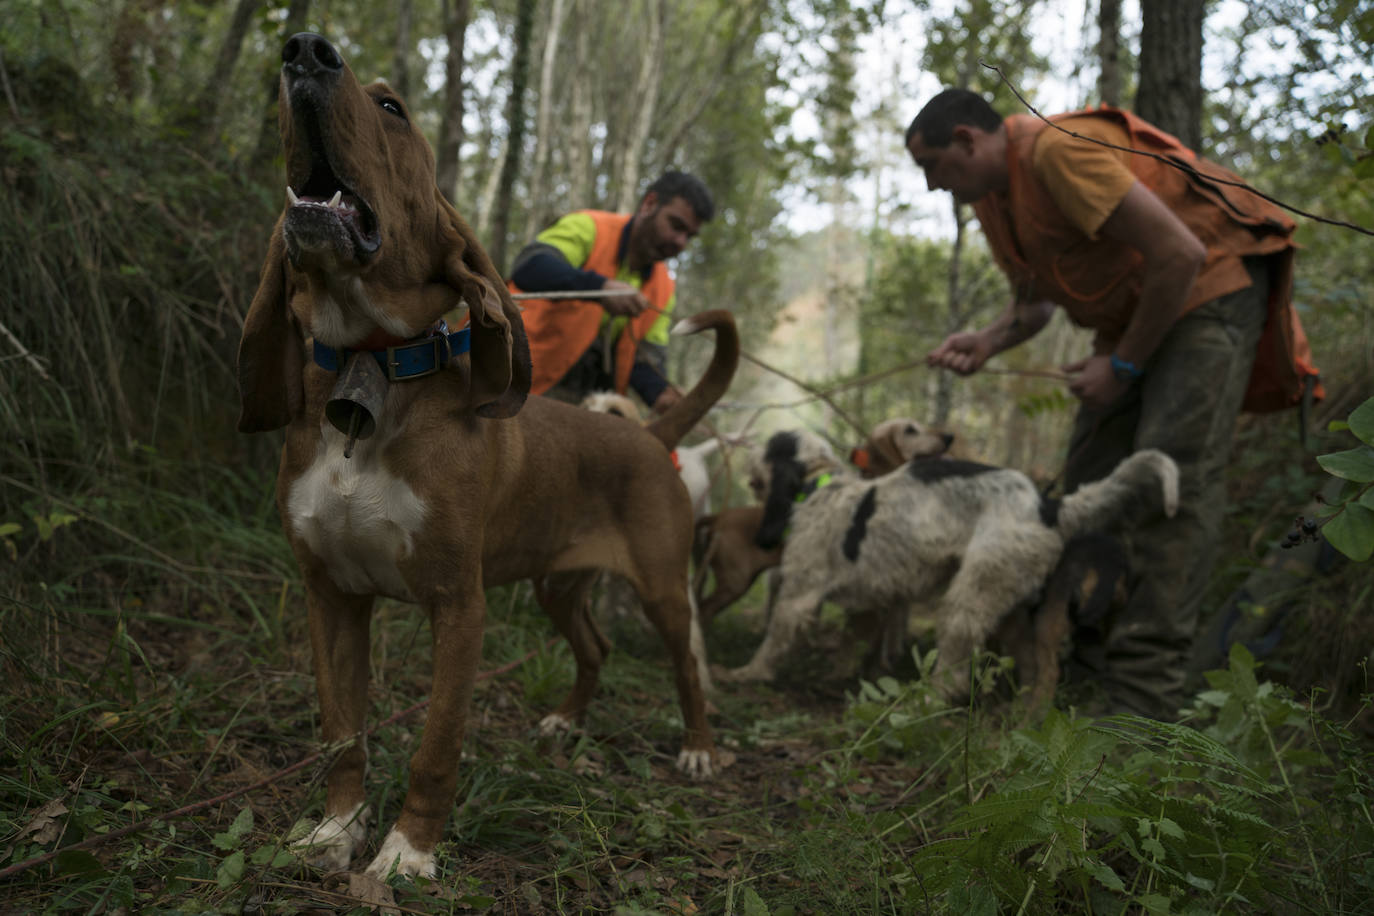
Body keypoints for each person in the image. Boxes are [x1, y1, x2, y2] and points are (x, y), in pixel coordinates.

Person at [906, 88, 1322, 719]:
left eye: (933, 165)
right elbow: (1036, 302)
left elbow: (1180, 253)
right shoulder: (994, 197)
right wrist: (987, 341)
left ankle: (1142, 702)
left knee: (1170, 476)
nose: (934, 186)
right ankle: (1073, 664)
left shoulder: (1058, 151)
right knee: (1088, 489)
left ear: (967, 139)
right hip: (1137, 313)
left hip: (1207, 288)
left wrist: (1122, 366)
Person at [507, 170, 715, 414]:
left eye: (689, 236)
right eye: (676, 225)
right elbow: (530, 266)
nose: (681, 242)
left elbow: (644, 360)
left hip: (580, 405)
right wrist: (599, 288)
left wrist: (661, 395)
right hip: (509, 378)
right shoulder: (589, 227)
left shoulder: (664, 289)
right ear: (649, 204)